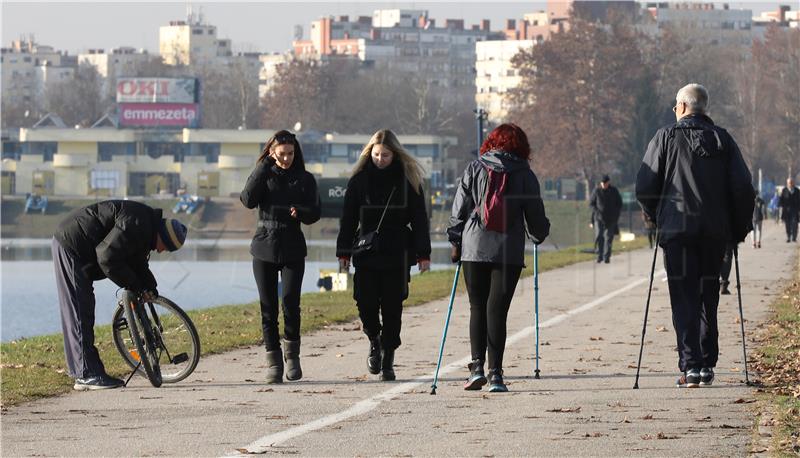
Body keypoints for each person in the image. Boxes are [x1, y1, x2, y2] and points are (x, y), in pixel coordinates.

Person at [636, 83, 754, 388]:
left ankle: (690, 365)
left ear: (684, 106)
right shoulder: (722, 140)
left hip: (677, 231)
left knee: (683, 297)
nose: (674, 111)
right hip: (714, 233)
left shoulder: (666, 137)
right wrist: (738, 229)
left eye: (676, 106)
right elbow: (742, 188)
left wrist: (654, 214)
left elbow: (646, 183)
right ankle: (706, 363)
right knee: (707, 295)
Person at [448, 123, 550, 393]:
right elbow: (536, 217)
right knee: (497, 311)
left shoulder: (474, 168)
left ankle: (477, 368)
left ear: (490, 143)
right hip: (508, 250)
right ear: (521, 146)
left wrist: (455, 240)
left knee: (477, 307)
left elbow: (459, 209)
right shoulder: (525, 175)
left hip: (474, 246)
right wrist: (539, 234)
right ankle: (496, 375)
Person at [53, 200, 187, 390]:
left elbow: (137, 262)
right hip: (71, 245)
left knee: (85, 307)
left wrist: (149, 286)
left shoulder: (145, 228)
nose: (161, 251)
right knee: (80, 311)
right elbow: (107, 257)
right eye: (165, 247)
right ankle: (86, 375)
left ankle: (88, 371)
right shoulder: (138, 224)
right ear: (162, 236)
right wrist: (133, 285)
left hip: (85, 247)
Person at [336, 129, 431, 381]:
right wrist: (343, 252)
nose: (380, 159)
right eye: (376, 155)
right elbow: (347, 219)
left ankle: (388, 357)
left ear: (395, 154)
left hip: (397, 252)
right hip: (366, 251)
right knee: (365, 302)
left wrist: (424, 254)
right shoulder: (358, 181)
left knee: (392, 307)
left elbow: (420, 220)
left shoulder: (408, 180)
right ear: (370, 153)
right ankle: (374, 338)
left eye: (385, 155)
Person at [240, 130, 321, 384]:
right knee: (268, 308)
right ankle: (273, 362)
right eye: (282, 153)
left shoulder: (305, 178)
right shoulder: (264, 174)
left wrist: (302, 213)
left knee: (290, 303)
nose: (286, 158)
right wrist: (263, 167)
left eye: (291, 153)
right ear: (272, 152)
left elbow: (316, 212)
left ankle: (292, 358)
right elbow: (247, 200)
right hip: (264, 247)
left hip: (293, 247)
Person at [589, 175, 623, 264]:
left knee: (608, 237)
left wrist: (615, 215)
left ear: (608, 182)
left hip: (611, 219)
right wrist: (596, 212)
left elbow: (619, 204)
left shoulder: (614, 191)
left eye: (605, 183)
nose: (604, 185)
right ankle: (599, 255)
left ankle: (607, 256)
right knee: (599, 236)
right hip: (599, 218)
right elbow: (592, 204)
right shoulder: (596, 191)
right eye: (602, 183)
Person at [779, 177, 800, 242]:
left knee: (794, 224)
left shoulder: (797, 191)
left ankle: (794, 237)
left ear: (793, 183)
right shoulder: (784, 190)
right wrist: (781, 207)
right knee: (787, 224)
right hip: (786, 210)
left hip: (795, 210)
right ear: (787, 183)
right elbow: (781, 200)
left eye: (791, 182)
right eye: (789, 183)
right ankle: (788, 237)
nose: (790, 184)